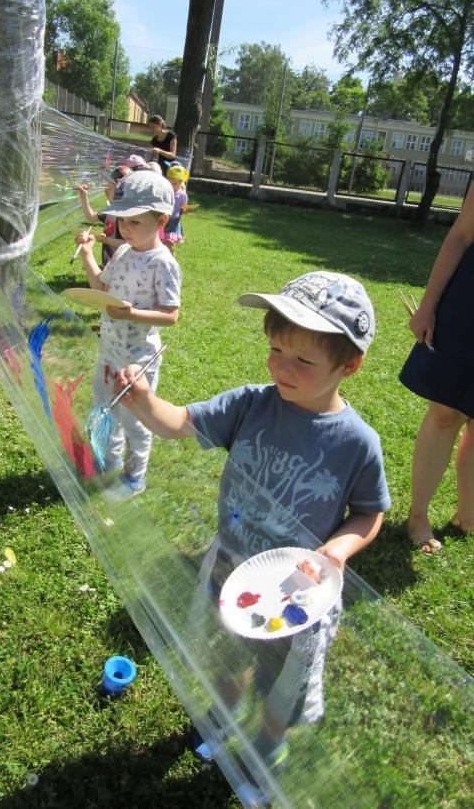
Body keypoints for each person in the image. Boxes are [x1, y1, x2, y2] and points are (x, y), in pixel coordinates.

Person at [114, 270, 390, 778]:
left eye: (302, 360)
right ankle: (223, 714)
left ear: (349, 366)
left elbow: (369, 512)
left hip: (296, 592)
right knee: (228, 657)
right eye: (276, 350)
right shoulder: (250, 404)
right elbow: (179, 423)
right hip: (231, 567)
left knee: (283, 679)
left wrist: (337, 550)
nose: (281, 366)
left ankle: (269, 737)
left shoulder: (357, 443)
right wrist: (143, 399)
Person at [76, 170, 182, 499]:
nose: (125, 228)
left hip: (138, 357)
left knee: (134, 418)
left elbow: (171, 315)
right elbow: (101, 286)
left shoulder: (163, 263)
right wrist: (87, 255)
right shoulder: (122, 252)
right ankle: (108, 463)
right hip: (109, 349)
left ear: (161, 220)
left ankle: (134, 476)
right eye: (122, 220)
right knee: (104, 408)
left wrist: (131, 313)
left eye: (135, 221)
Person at [399, 183, 474, 553]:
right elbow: (463, 234)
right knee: (446, 413)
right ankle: (418, 516)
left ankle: (468, 516)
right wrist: (428, 305)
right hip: (468, 302)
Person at [163, 164, 189, 255]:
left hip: (173, 221)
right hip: (163, 218)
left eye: (175, 184)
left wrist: (186, 210)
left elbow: (184, 208)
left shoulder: (182, 195)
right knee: (161, 241)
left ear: (181, 183)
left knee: (169, 242)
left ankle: (171, 259)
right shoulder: (165, 192)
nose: (172, 186)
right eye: (169, 183)